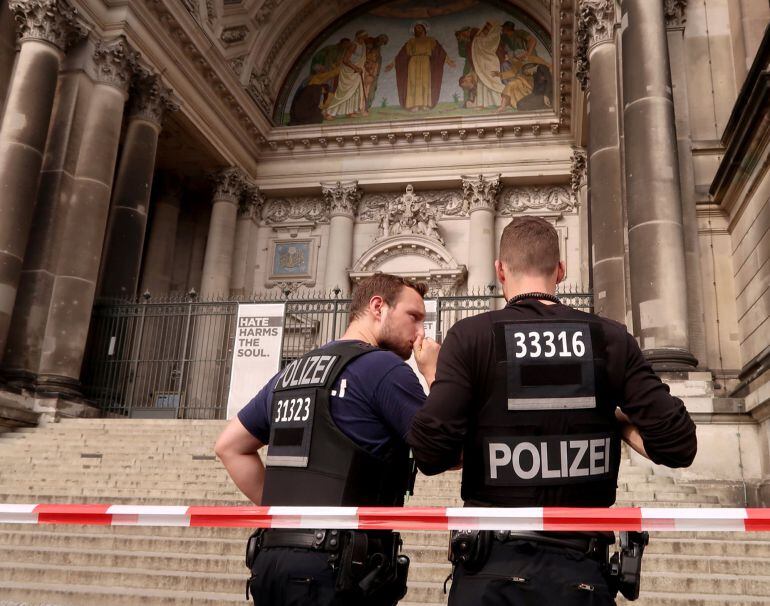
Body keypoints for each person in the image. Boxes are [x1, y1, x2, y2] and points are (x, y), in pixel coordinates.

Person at [407, 216, 698, 605]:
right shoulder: (609, 338)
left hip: (490, 573)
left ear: (499, 270)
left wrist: (432, 376)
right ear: (560, 270)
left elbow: (430, 453)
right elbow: (678, 444)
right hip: (580, 574)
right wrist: (611, 418)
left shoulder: (471, 336)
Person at [215, 273, 440, 606]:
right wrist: (435, 374)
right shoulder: (383, 368)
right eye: (414, 317)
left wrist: (284, 511)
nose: (421, 331)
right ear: (378, 307)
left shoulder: (293, 371)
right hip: (338, 567)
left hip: (271, 559)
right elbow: (440, 448)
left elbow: (229, 446)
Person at [384, 23, 455, 112]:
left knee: (425, 83)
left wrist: (449, 61)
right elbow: (401, 55)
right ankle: (414, 105)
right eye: (416, 28)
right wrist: (391, 64)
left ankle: (425, 104)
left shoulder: (431, 40)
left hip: (425, 61)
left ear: (424, 29)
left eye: (419, 27)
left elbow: (440, 52)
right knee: (413, 83)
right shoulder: (411, 41)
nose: (418, 29)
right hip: (413, 62)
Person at [324, 30, 369, 119]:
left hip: (357, 71)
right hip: (349, 71)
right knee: (343, 92)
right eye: (364, 36)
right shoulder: (353, 45)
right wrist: (355, 68)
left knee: (355, 91)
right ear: (359, 37)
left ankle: (350, 111)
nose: (366, 38)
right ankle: (329, 112)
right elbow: (345, 60)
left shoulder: (363, 45)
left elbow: (361, 58)